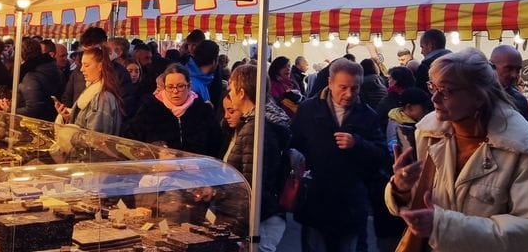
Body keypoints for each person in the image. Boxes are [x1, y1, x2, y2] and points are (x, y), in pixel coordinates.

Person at [387, 48, 528, 251]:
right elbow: (423, 201)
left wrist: (442, 225)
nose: (435, 99)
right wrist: (401, 187)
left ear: (478, 96)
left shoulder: (522, 149)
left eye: (446, 90)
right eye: (433, 87)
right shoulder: (428, 133)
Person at [290, 58, 387, 252]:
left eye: (355, 88)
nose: (349, 94)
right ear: (330, 83)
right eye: (343, 87)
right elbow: (295, 144)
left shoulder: (367, 115)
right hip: (316, 199)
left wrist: (357, 144)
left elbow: (382, 155)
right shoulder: (308, 110)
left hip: (350, 202)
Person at [225, 64, 291, 252]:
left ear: (242, 92)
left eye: (231, 89)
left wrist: (240, 231)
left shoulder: (256, 128)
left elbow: (250, 185)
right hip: (265, 214)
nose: (229, 93)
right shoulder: (263, 122)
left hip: (260, 219)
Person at [123, 63, 221, 156]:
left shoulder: (203, 111)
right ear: (164, 87)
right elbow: (131, 140)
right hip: (160, 170)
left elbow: (215, 144)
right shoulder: (149, 108)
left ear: (189, 86)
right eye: (170, 87)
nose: (175, 91)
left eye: (180, 86)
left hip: (196, 170)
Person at [53, 45, 123, 135]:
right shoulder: (92, 89)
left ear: (100, 66)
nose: (82, 69)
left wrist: (69, 133)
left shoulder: (103, 99)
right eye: (82, 65)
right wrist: (69, 117)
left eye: (86, 65)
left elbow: (94, 140)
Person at [17, 43, 63, 121]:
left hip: (34, 123)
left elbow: (32, 109)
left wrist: (12, 110)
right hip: (51, 117)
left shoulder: (30, 75)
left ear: (21, 56)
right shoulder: (51, 67)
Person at [489, 44, 528, 121]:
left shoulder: (520, 100)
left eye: (518, 70)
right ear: (492, 67)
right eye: (508, 69)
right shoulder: (479, 98)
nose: (514, 75)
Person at [385, 87, 431, 153]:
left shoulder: (413, 120)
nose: (427, 111)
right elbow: (395, 152)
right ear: (409, 107)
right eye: (424, 108)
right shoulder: (397, 127)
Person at [414, 28, 451, 95]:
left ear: (431, 45)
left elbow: (420, 96)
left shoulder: (425, 67)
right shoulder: (457, 64)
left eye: (422, 47)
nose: (421, 52)